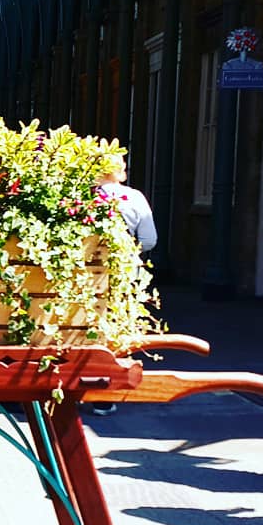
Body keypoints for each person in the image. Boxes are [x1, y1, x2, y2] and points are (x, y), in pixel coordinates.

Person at [92, 153, 157, 415]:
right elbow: (149, 239)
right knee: (116, 327)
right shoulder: (135, 197)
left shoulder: (85, 197)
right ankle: (105, 394)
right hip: (121, 268)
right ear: (118, 172)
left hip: (86, 269)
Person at [96, 154, 157, 254]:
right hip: (123, 264)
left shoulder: (82, 196)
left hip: (82, 265)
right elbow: (149, 240)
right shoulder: (135, 197)